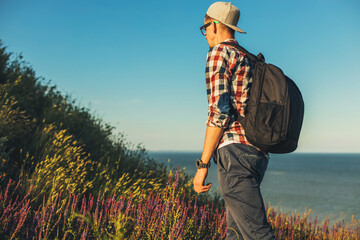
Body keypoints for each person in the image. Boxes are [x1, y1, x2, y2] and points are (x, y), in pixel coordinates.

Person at [193, 2, 276, 240]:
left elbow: (219, 113)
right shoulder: (249, 58)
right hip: (257, 154)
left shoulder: (219, 53)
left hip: (235, 156)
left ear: (216, 25)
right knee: (235, 234)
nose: (206, 33)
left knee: (258, 234)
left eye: (205, 27)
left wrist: (202, 166)